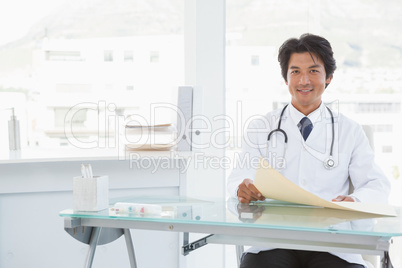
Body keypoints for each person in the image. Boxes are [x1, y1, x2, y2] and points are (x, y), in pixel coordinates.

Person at [227, 33, 391, 268]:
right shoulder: (261, 127)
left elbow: (377, 185)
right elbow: (238, 177)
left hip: (333, 244)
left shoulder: (350, 131)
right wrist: (242, 188)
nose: (304, 80)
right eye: (295, 72)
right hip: (274, 240)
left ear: (329, 77)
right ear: (286, 79)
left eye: (313, 71)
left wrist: (355, 199)